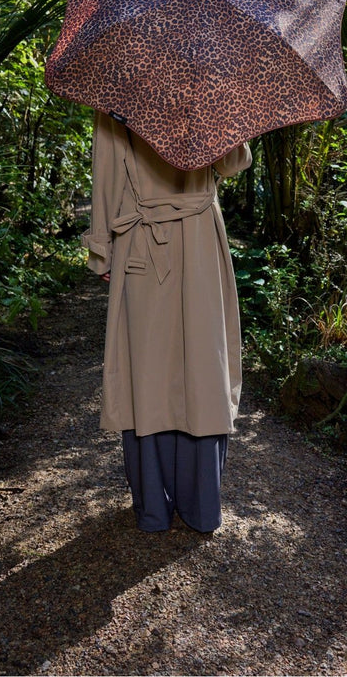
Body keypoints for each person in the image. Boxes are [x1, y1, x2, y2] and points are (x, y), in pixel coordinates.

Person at [82, 112, 252, 533]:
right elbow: (234, 164)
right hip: (198, 241)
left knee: (148, 369)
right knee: (202, 365)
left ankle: (154, 509)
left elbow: (107, 173)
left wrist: (102, 249)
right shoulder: (210, 86)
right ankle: (201, 507)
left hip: (141, 244)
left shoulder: (118, 90)